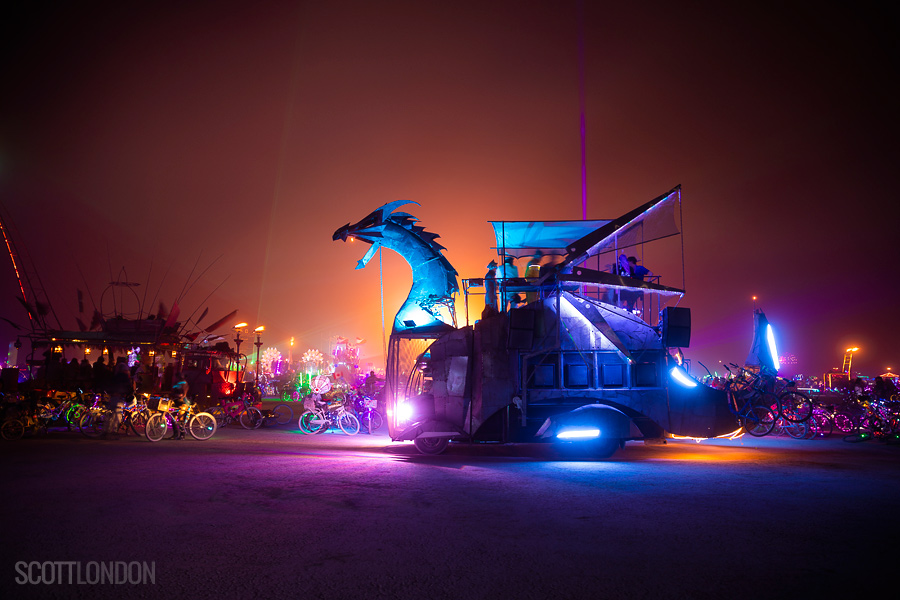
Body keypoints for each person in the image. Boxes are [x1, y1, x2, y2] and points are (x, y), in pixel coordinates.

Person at [169, 372, 190, 440]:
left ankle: (182, 435)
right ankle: (175, 434)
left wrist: (178, 396)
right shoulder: (177, 383)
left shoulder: (184, 383)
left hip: (183, 402)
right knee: (173, 419)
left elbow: (183, 394)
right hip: (177, 402)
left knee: (181, 418)